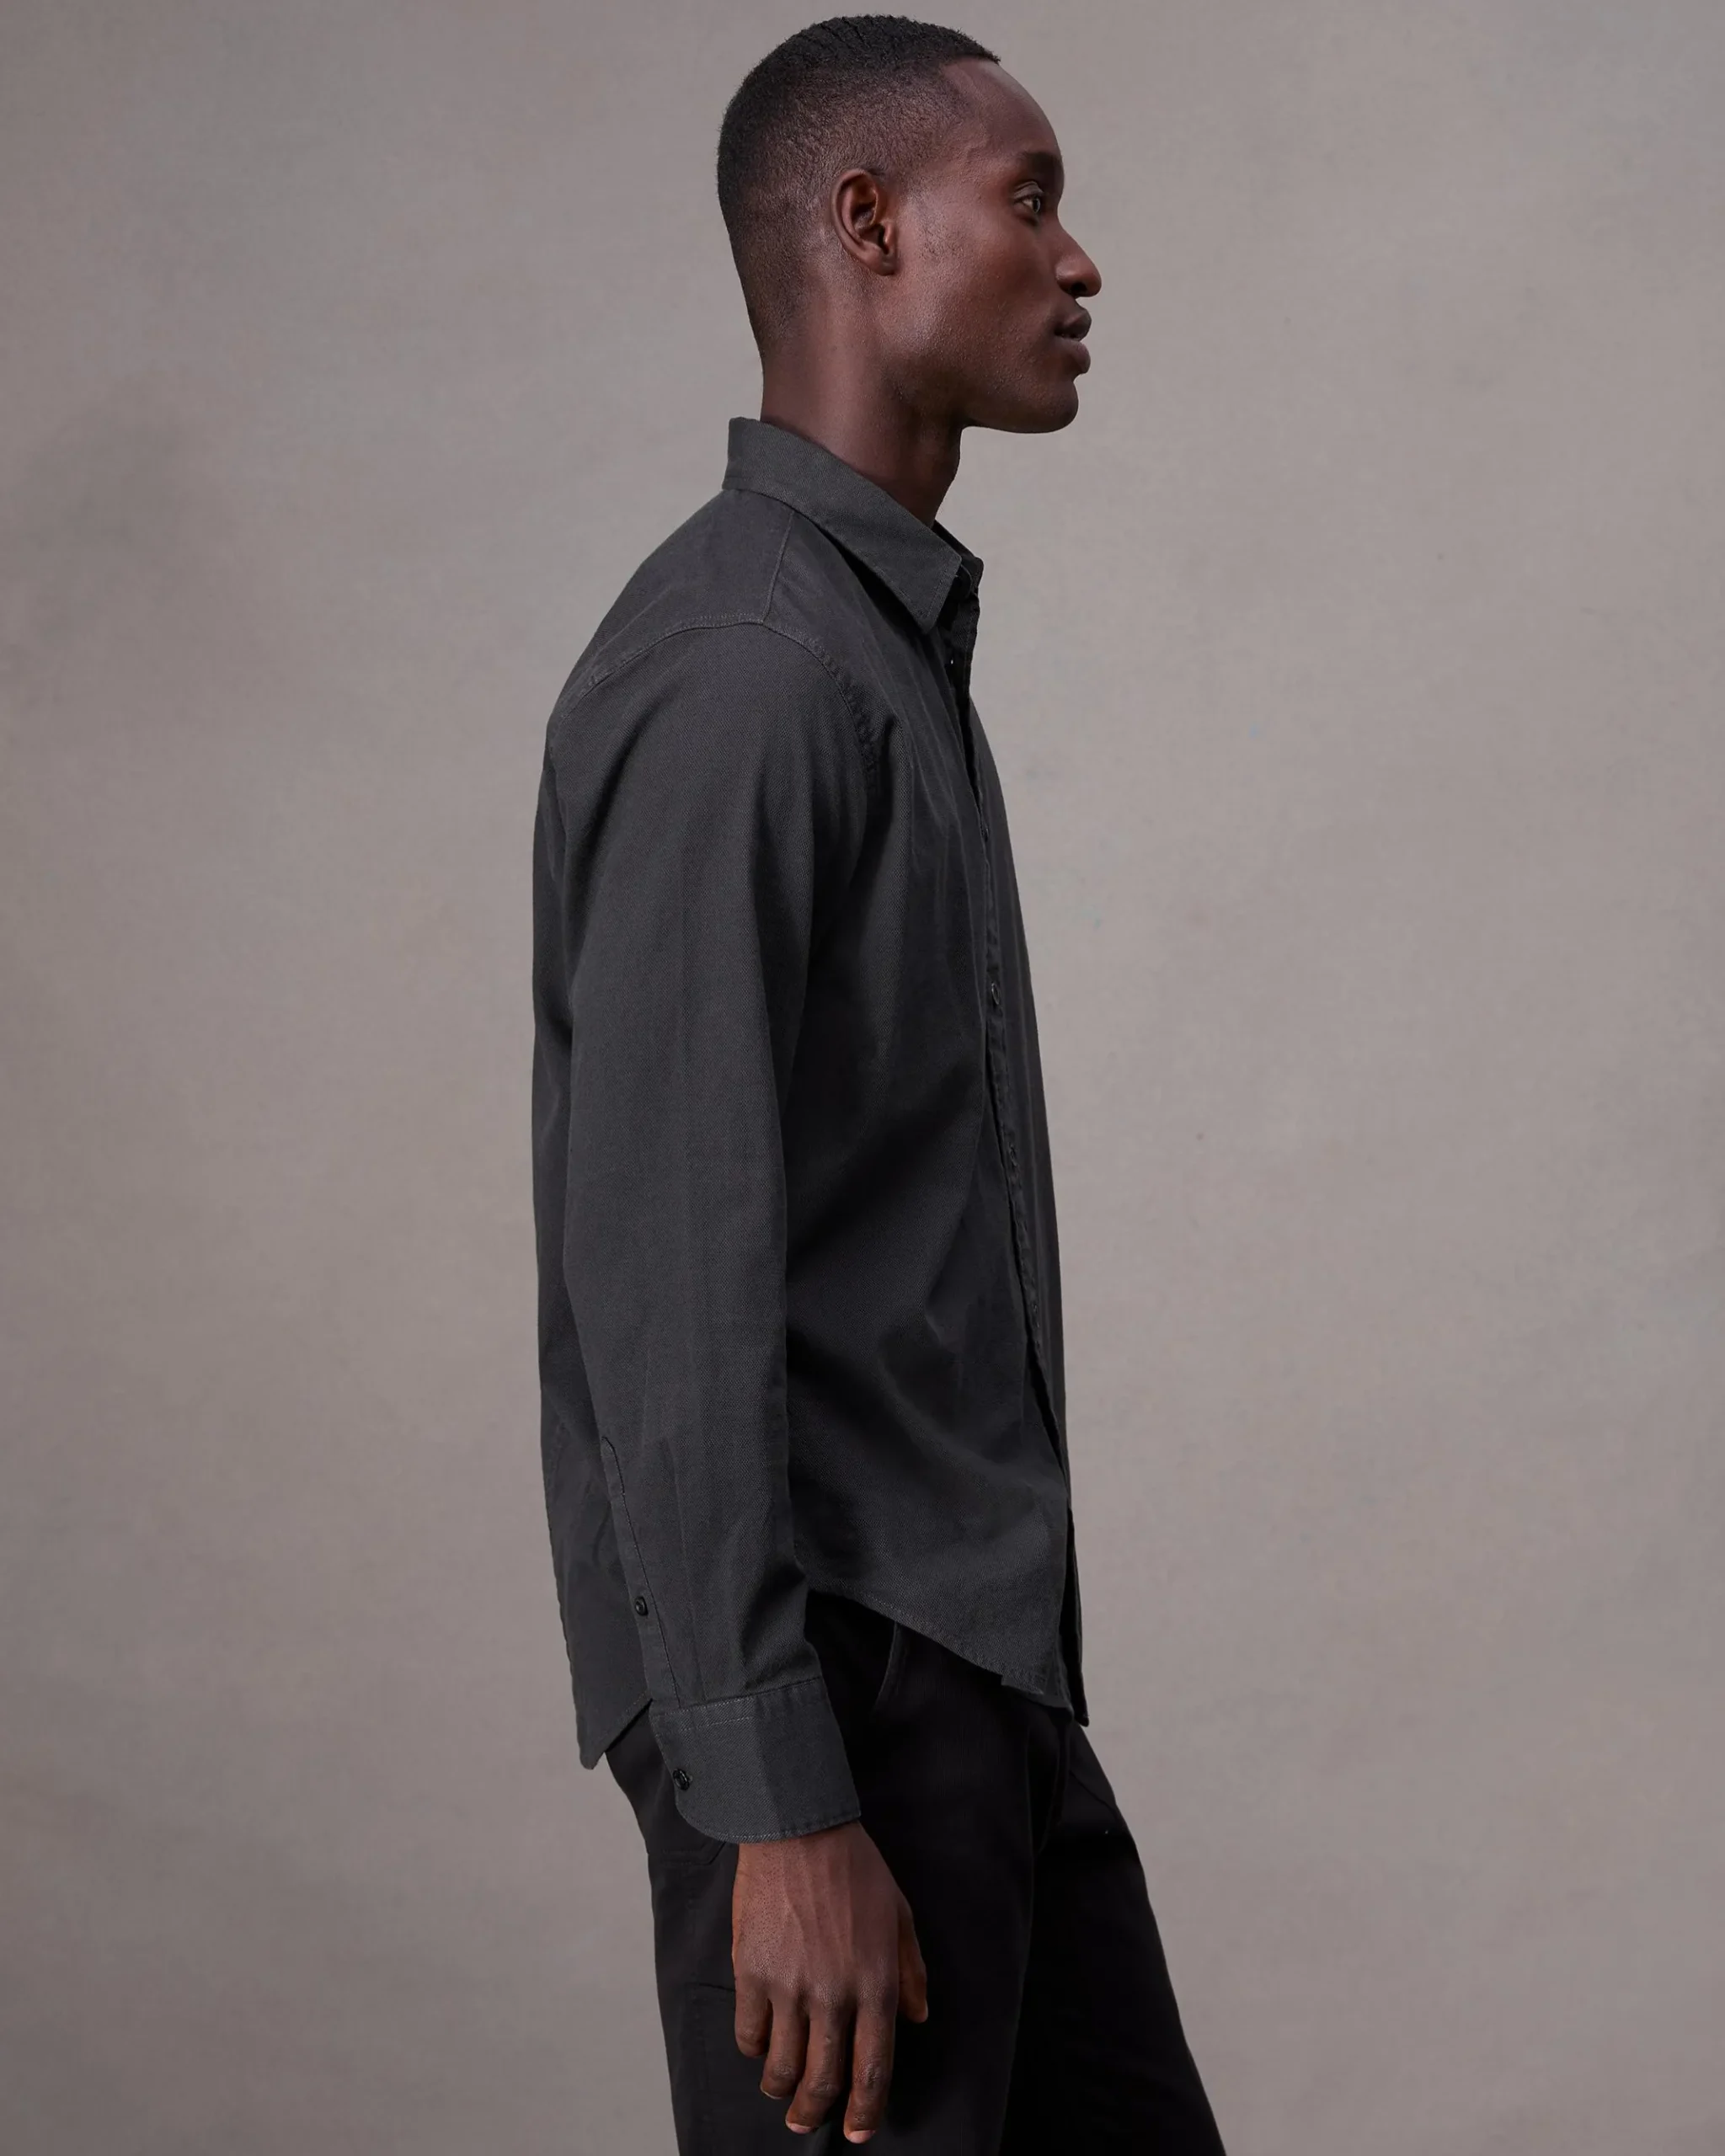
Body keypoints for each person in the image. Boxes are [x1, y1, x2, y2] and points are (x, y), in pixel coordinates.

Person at [530, 16, 1227, 2150]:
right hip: (839, 1709)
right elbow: (664, 1281)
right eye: (1029, 199)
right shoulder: (747, 673)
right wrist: (777, 1804)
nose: (1077, 259)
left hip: (968, 1673)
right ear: (864, 222)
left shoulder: (867, 649)